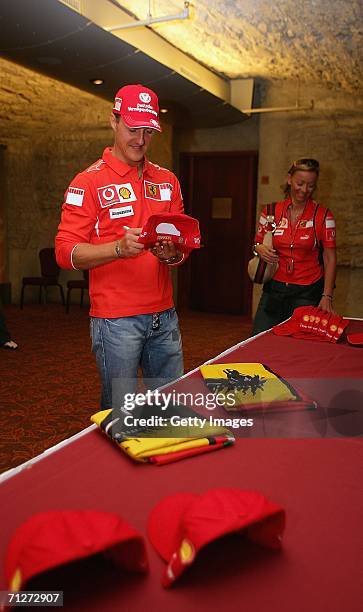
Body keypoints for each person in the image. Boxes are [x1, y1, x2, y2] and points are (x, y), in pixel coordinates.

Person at [55, 84, 185, 409]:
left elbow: (179, 248)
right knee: (121, 415)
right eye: (131, 128)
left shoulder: (167, 181)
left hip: (164, 315)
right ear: (114, 121)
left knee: (168, 409)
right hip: (116, 322)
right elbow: (65, 252)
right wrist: (116, 248)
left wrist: (174, 255)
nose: (140, 140)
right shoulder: (87, 182)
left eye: (147, 131)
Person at [252, 158, 337, 335]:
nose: (305, 190)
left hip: (307, 292)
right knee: (260, 339)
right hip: (274, 289)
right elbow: (257, 243)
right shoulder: (269, 212)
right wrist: (259, 247)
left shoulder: (323, 216)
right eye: (300, 183)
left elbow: (329, 258)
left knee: (299, 345)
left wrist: (326, 296)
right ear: (289, 179)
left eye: (311, 185)